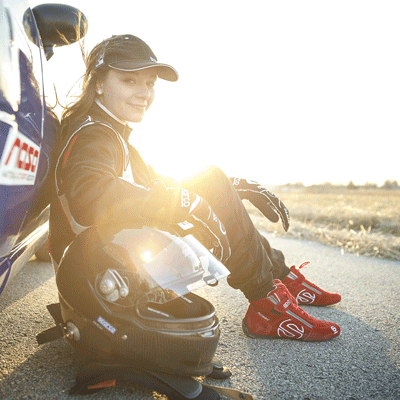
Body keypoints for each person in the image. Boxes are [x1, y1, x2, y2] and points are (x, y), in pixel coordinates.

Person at [50, 34, 341, 343]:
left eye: (149, 83)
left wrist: (228, 190)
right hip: (101, 272)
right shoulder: (95, 135)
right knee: (207, 182)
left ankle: (278, 276)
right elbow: (90, 196)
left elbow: (156, 184)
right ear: (98, 83)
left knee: (208, 179)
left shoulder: (109, 130)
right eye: (130, 81)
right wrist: (186, 201)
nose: (144, 93)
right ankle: (268, 305)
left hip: (114, 251)